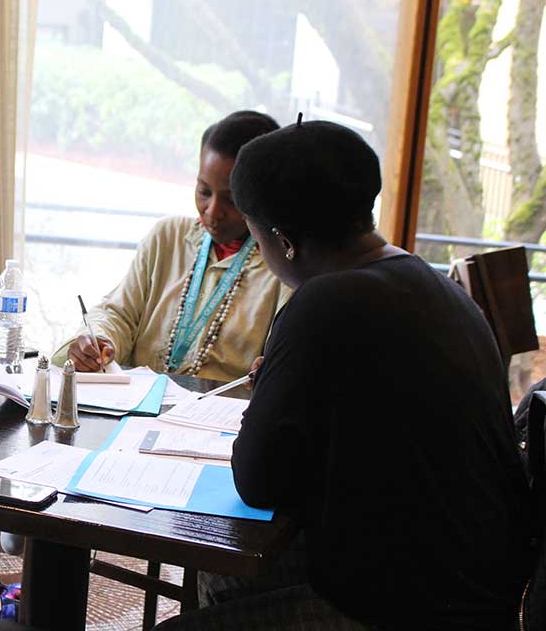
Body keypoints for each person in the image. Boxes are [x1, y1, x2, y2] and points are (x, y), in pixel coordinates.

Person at [156, 120, 532, 629]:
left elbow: (257, 480)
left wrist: (268, 388)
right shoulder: (435, 288)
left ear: (283, 240)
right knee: (226, 572)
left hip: (408, 605)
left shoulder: (322, 306)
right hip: (481, 584)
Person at [56, 111, 286, 381]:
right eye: (203, 191)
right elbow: (118, 313)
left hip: (216, 417)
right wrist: (100, 339)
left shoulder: (281, 268)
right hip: (137, 407)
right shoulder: (167, 237)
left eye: (231, 200)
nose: (212, 211)